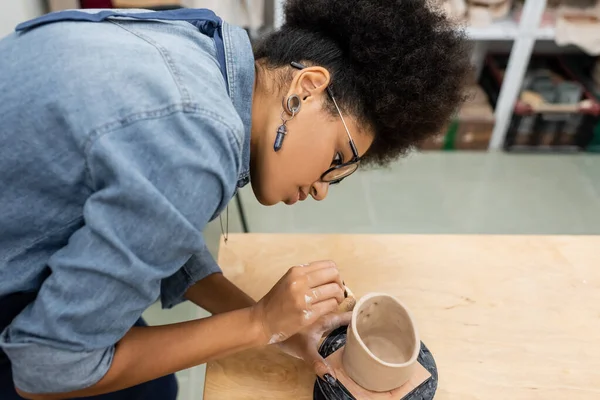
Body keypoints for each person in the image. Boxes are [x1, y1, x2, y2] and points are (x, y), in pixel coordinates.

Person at [0, 0, 471, 399]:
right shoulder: (197, 141)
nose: (323, 188)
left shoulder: (204, 41)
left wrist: (276, 327)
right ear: (307, 88)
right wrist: (258, 323)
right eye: (338, 157)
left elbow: (156, 222)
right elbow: (48, 369)